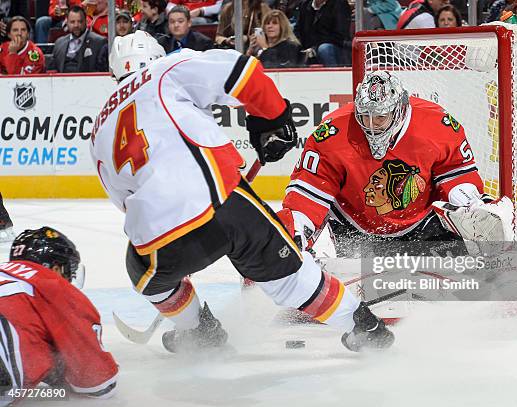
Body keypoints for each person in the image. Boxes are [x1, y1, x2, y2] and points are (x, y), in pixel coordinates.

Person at [90, 31, 394, 353]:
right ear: (156, 54)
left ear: (114, 74)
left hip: (159, 232)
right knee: (289, 276)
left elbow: (126, 200)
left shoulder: (98, 132)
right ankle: (366, 328)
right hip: (222, 200)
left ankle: (199, 330)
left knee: (147, 278)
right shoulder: (168, 68)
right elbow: (245, 72)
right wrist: (273, 119)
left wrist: (177, 233)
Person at [278, 71, 514, 258]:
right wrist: (296, 230)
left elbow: (456, 175)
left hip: (422, 224)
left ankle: (499, 270)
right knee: (296, 232)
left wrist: (470, 204)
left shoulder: (437, 125)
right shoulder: (331, 133)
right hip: (353, 227)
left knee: (479, 217)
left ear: (399, 110)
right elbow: (308, 192)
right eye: (364, 117)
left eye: (380, 117)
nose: (371, 125)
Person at [0, 227, 118, 402]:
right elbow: (100, 385)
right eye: (68, 271)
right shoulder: (52, 284)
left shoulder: (8, 276)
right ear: (55, 269)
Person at [48, 5, 108, 72]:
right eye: (72, 22)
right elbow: (52, 70)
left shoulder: (99, 42)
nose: (76, 25)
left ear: (86, 21)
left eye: (80, 22)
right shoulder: (59, 43)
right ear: (67, 22)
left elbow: (102, 72)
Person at [294, 0, 352, 66]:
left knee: (324, 49)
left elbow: (339, 35)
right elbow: (297, 30)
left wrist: (314, 49)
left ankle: (334, 75)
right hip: (309, 47)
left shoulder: (340, 4)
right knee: (292, 47)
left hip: (336, 46)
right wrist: (298, 45)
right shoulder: (304, 4)